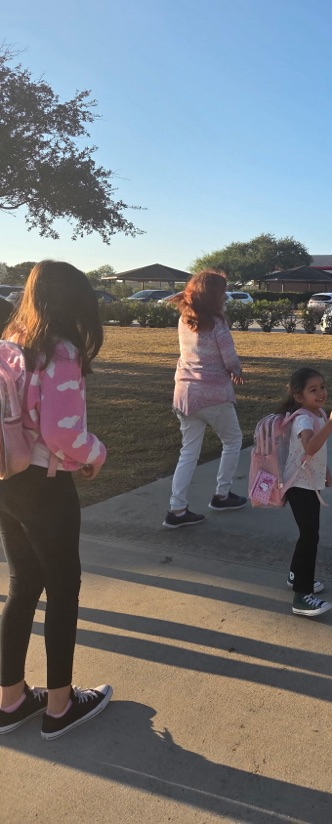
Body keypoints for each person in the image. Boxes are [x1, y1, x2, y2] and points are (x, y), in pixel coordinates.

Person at [0, 261, 113, 740]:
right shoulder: (59, 352)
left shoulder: (10, 345)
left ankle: (10, 699)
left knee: (23, 584)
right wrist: (96, 453)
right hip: (45, 486)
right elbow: (60, 431)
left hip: (6, 476)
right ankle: (61, 706)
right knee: (64, 591)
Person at [164, 270, 246, 529]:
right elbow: (229, 356)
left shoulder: (185, 318)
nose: (225, 296)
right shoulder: (216, 323)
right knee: (233, 440)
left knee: (188, 452)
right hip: (213, 394)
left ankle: (177, 509)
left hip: (185, 394)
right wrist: (237, 372)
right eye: (222, 291)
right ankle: (222, 495)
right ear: (213, 295)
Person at [279, 367, 332, 618]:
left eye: (323, 387)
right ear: (299, 396)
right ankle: (301, 596)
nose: (321, 393)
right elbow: (310, 446)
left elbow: (315, 450)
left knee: (308, 535)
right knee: (310, 537)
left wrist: (324, 470)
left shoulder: (318, 413)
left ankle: (296, 576)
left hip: (309, 483)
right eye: (313, 390)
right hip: (299, 486)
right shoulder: (304, 418)